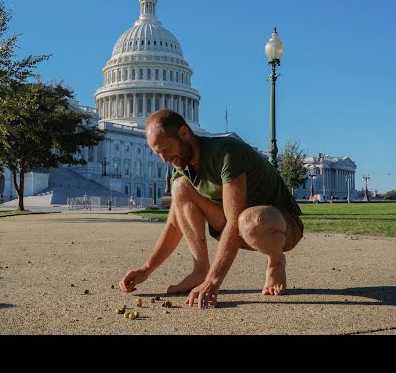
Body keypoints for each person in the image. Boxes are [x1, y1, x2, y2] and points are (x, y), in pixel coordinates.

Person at [119, 108, 304, 309]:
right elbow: (174, 226)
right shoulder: (182, 167)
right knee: (180, 187)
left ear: (183, 133)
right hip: (239, 228)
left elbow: (234, 223)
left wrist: (214, 281)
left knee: (248, 221)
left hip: (281, 226)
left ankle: (276, 260)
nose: (165, 159)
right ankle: (199, 269)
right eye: (158, 153)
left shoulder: (226, 152)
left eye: (166, 149)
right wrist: (146, 269)